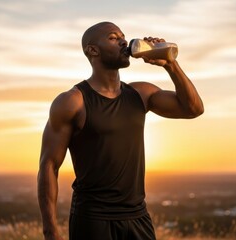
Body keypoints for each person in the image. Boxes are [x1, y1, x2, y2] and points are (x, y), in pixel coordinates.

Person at [37, 21, 204, 240]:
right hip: (92, 220)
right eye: (114, 38)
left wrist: (170, 64)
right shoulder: (72, 102)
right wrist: (51, 232)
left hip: (138, 217)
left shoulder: (140, 94)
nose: (124, 41)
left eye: (123, 36)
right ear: (93, 50)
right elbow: (49, 165)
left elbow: (193, 109)